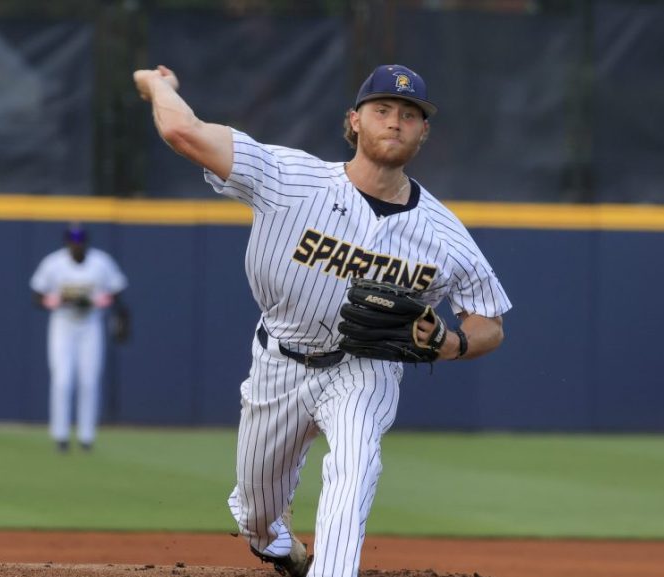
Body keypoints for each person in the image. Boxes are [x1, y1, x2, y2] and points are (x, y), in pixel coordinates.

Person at [133, 63, 511, 577]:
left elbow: (488, 321)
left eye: (409, 114)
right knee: (256, 514)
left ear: (424, 132)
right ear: (354, 121)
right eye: (382, 110)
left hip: (366, 367)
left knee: (355, 468)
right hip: (280, 359)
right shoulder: (290, 178)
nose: (395, 122)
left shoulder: (444, 234)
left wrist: (449, 342)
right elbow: (182, 131)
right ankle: (277, 543)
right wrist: (159, 86)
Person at [30, 223, 128, 453]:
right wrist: (57, 301)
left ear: (86, 243)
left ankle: (86, 436)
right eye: (73, 243)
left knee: (89, 381)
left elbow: (117, 290)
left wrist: (99, 301)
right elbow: (37, 295)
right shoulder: (54, 264)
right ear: (67, 244)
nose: (77, 247)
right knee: (63, 380)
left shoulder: (100, 262)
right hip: (63, 324)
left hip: (90, 323)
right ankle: (61, 436)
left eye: (80, 242)